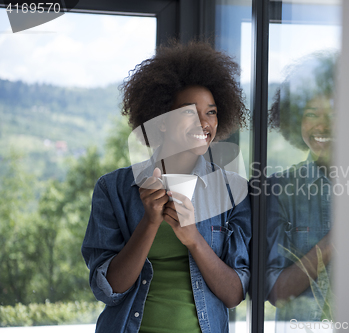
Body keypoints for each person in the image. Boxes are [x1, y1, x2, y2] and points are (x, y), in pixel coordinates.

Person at [81, 41, 251, 333]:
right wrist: (149, 223)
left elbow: (234, 294)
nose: (203, 122)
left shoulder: (232, 190)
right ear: (160, 121)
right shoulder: (114, 189)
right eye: (188, 111)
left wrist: (193, 238)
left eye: (210, 112)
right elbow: (107, 290)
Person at [266, 51, 337, 328]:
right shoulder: (279, 189)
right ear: (295, 120)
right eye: (311, 113)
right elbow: (276, 291)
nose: (323, 124)